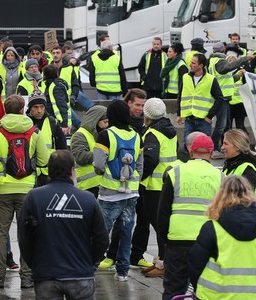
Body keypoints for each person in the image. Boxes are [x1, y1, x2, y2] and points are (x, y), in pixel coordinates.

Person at [0, 94, 50, 289]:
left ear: (4, 110)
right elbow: (43, 161)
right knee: (27, 233)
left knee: (1, 232)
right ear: (22, 109)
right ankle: (26, 277)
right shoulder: (34, 131)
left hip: (4, 188)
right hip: (27, 190)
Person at [19, 150, 109, 300]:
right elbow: (102, 240)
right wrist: (87, 263)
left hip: (46, 275)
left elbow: (24, 239)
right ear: (72, 171)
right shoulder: (88, 199)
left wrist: (36, 265)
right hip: (80, 275)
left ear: (49, 171)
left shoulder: (34, 197)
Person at [157, 135, 223, 300]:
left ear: (190, 150)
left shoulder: (175, 173)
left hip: (178, 240)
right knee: (203, 290)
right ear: (211, 153)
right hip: (207, 242)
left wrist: (166, 238)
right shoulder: (221, 177)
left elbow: (163, 211)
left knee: (174, 289)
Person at [189, 175, 256, 299]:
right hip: (254, 295)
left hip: (215, 295)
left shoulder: (212, 228)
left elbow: (195, 264)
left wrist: (198, 288)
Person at [92, 100, 143, 282]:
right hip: (132, 192)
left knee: (100, 231)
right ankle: (122, 271)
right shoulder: (137, 136)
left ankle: (90, 266)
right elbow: (140, 165)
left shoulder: (106, 135)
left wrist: (104, 172)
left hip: (110, 192)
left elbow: (98, 163)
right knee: (126, 231)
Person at [139, 98, 179, 278]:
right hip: (168, 182)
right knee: (163, 225)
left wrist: (141, 176)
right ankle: (164, 261)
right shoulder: (170, 131)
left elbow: (151, 159)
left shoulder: (152, 134)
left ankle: (164, 264)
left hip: (154, 186)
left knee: (159, 226)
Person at [207, 42, 252, 158]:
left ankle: (222, 146)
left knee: (226, 125)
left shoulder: (213, 61)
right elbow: (228, 68)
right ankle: (214, 147)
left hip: (224, 97)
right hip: (222, 97)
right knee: (221, 125)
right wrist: (245, 58)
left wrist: (238, 75)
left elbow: (227, 79)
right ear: (224, 50)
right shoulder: (220, 62)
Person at [177, 53, 223, 144]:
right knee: (188, 146)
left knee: (204, 146)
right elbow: (180, 96)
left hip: (203, 120)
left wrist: (210, 116)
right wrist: (179, 114)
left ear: (201, 65)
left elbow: (219, 98)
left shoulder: (211, 79)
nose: (190, 65)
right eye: (191, 62)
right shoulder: (185, 77)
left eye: (193, 63)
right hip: (189, 119)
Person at [27, 92, 67, 186]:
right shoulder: (24, 123)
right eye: (35, 107)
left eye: (42, 107)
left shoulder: (53, 123)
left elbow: (62, 148)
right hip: (30, 172)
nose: (39, 110)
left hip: (49, 172)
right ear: (30, 108)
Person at [70, 105, 108, 197]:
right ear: (95, 120)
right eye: (105, 122)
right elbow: (80, 156)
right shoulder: (80, 135)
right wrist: (101, 155)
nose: (107, 125)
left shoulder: (100, 134)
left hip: (102, 183)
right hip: (88, 186)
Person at [41, 65, 71, 136]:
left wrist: (64, 125)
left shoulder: (56, 87)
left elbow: (62, 106)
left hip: (59, 123)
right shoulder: (51, 85)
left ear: (46, 75)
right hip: (54, 121)